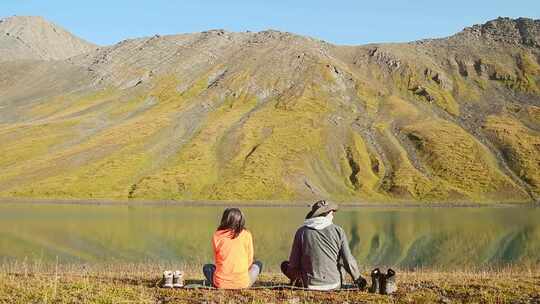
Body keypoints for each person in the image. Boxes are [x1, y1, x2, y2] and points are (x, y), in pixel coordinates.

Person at [281, 200, 367, 290]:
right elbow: (348, 261)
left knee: (285, 265)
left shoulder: (301, 231)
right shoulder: (338, 231)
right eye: (332, 212)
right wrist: (358, 279)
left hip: (309, 285)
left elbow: (294, 264)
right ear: (328, 213)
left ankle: (297, 283)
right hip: (334, 284)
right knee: (341, 262)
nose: (333, 215)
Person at [203, 208, 263, 289]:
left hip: (221, 284)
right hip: (243, 283)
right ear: (241, 220)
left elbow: (217, 260)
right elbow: (250, 260)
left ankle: (221, 282)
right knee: (258, 264)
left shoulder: (217, 235)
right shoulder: (247, 234)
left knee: (207, 268)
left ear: (224, 219)